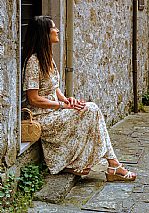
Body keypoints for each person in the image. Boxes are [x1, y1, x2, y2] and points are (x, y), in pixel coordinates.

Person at [22, 15, 136, 181]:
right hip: (43, 117)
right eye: (53, 28)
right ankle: (111, 165)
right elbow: (33, 99)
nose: (57, 30)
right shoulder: (33, 61)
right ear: (44, 34)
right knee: (91, 110)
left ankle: (111, 164)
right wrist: (62, 106)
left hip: (54, 111)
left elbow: (54, 88)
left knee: (88, 109)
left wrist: (68, 100)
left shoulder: (47, 58)